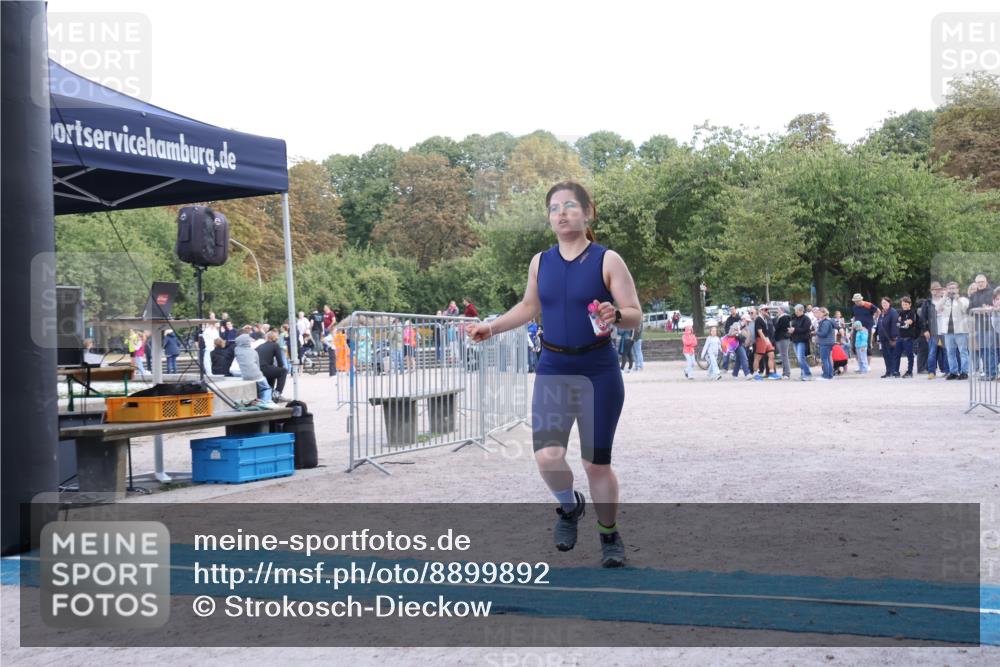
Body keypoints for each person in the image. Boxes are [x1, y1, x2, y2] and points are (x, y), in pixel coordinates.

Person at [464, 180, 640, 568]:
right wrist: (490, 327)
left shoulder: (607, 260)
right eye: (554, 208)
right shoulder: (540, 261)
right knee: (547, 457)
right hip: (554, 367)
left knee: (596, 463)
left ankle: (609, 536)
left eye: (570, 206)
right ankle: (568, 507)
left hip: (597, 370)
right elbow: (529, 306)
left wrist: (617, 314)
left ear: (588, 212)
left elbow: (635, 314)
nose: (561, 213)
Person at [937, 281, 970, 380]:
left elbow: (965, 310)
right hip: (948, 331)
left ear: (957, 289)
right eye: (950, 288)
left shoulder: (963, 299)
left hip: (960, 330)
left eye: (953, 288)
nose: (952, 290)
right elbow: (938, 308)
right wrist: (944, 297)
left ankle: (964, 372)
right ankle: (953, 372)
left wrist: (957, 299)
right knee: (950, 352)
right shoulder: (945, 300)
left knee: (963, 352)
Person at [234, 331, 272, 402]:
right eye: (249, 341)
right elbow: (258, 365)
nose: (250, 342)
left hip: (245, 376)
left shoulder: (237, 350)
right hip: (256, 375)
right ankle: (266, 402)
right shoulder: (254, 352)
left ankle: (259, 400)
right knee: (266, 388)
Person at [257, 330, 288, 401]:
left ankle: (270, 394)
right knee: (283, 371)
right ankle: (277, 393)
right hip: (264, 368)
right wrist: (279, 369)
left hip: (257, 369)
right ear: (275, 338)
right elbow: (280, 362)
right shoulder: (275, 345)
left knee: (272, 370)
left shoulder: (260, 346)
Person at [753, 306, 780, 380]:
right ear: (761, 310)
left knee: (771, 355)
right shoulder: (758, 319)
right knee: (758, 357)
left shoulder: (765, 318)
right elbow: (759, 331)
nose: (766, 311)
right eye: (765, 310)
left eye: (767, 310)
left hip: (766, 339)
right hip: (761, 339)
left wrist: (767, 340)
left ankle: (771, 373)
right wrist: (765, 340)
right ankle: (756, 373)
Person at [877, 297, 900, 378]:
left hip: (890, 338)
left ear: (889, 303)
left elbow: (895, 325)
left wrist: (894, 337)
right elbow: (879, 325)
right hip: (883, 338)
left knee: (892, 355)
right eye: (883, 303)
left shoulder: (893, 312)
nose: (884, 304)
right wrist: (878, 337)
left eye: (886, 303)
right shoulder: (882, 313)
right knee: (886, 355)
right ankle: (888, 371)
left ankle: (894, 371)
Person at [851, 294, 878, 358]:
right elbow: (854, 317)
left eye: (857, 301)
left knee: (867, 344)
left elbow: (878, 311)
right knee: (854, 345)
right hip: (857, 327)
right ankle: (859, 364)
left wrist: (873, 319)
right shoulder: (854, 307)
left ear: (861, 299)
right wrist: (852, 328)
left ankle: (868, 365)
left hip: (867, 327)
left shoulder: (868, 305)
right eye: (855, 301)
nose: (856, 302)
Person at [897, 296, 919, 377]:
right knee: (897, 354)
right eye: (903, 304)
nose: (904, 306)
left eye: (906, 304)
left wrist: (901, 323)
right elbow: (897, 322)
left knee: (910, 355)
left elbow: (909, 322)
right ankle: (896, 371)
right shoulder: (901, 312)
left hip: (908, 337)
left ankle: (910, 372)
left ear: (910, 304)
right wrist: (903, 322)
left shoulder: (912, 312)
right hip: (900, 337)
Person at [816, 308, 836, 380]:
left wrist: (816, 332)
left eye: (819, 312)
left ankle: (826, 375)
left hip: (825, 342)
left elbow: (824, 333)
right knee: (827, 359)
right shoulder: (828, 321)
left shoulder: (825, 322)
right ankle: (830, 375)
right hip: (828, 342)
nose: (817, 314)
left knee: (824, 359)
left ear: (823, 313)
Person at [773, 305, 792, 379]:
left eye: (778, 309)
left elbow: (778, 327)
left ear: (782, 310)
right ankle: (785, 373)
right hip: (781, 338)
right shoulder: (781, 317)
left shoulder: (784, 317)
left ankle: (787, 373)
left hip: (783, 338)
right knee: (783, 355)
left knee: (784, 355)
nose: (777, 311)